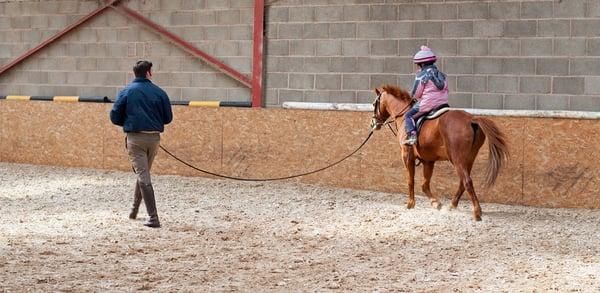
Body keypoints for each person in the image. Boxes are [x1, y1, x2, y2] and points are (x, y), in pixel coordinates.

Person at [110, 60, 173, 228]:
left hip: (135, 139)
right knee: (143, 173)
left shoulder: (126, 91)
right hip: (154, 139)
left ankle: (153, 218)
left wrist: (129, 121)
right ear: (149, 73)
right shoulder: (160, 92)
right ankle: (134, 210)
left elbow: (114, 116)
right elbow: (168, 118)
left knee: (143, 175)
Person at [403, 46, 449, 145]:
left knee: (408, 115)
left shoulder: (422, 75)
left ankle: (412, 136)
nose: (419, 66)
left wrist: (413, 96)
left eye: (419, 65)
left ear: (422, 63)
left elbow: (416, 94)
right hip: (443, 104)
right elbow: (446, 89)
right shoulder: (442, 75)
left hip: (428, 104)